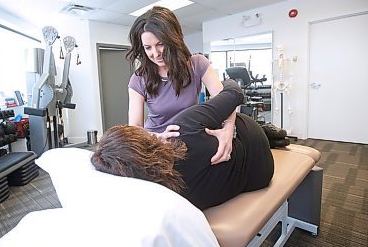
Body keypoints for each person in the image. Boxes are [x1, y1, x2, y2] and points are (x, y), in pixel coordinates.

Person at [91, 79, 274, 210]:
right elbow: (234, 92)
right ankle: (271, 134)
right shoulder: (183, 127)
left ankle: (272, 136)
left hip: (258, 178)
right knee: (222, 122)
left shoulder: (164, 196)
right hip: (255, 146)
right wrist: (227, 85)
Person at [127, 6, 235, 165]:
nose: (155, 54)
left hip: (189, 138)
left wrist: (228, 130)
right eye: (148, 48)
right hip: (156, 144)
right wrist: (159, 137)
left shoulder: (197, 64)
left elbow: (226, 101)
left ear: (173, 39)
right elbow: (135, 127)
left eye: (160, 44)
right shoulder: (138, 79)